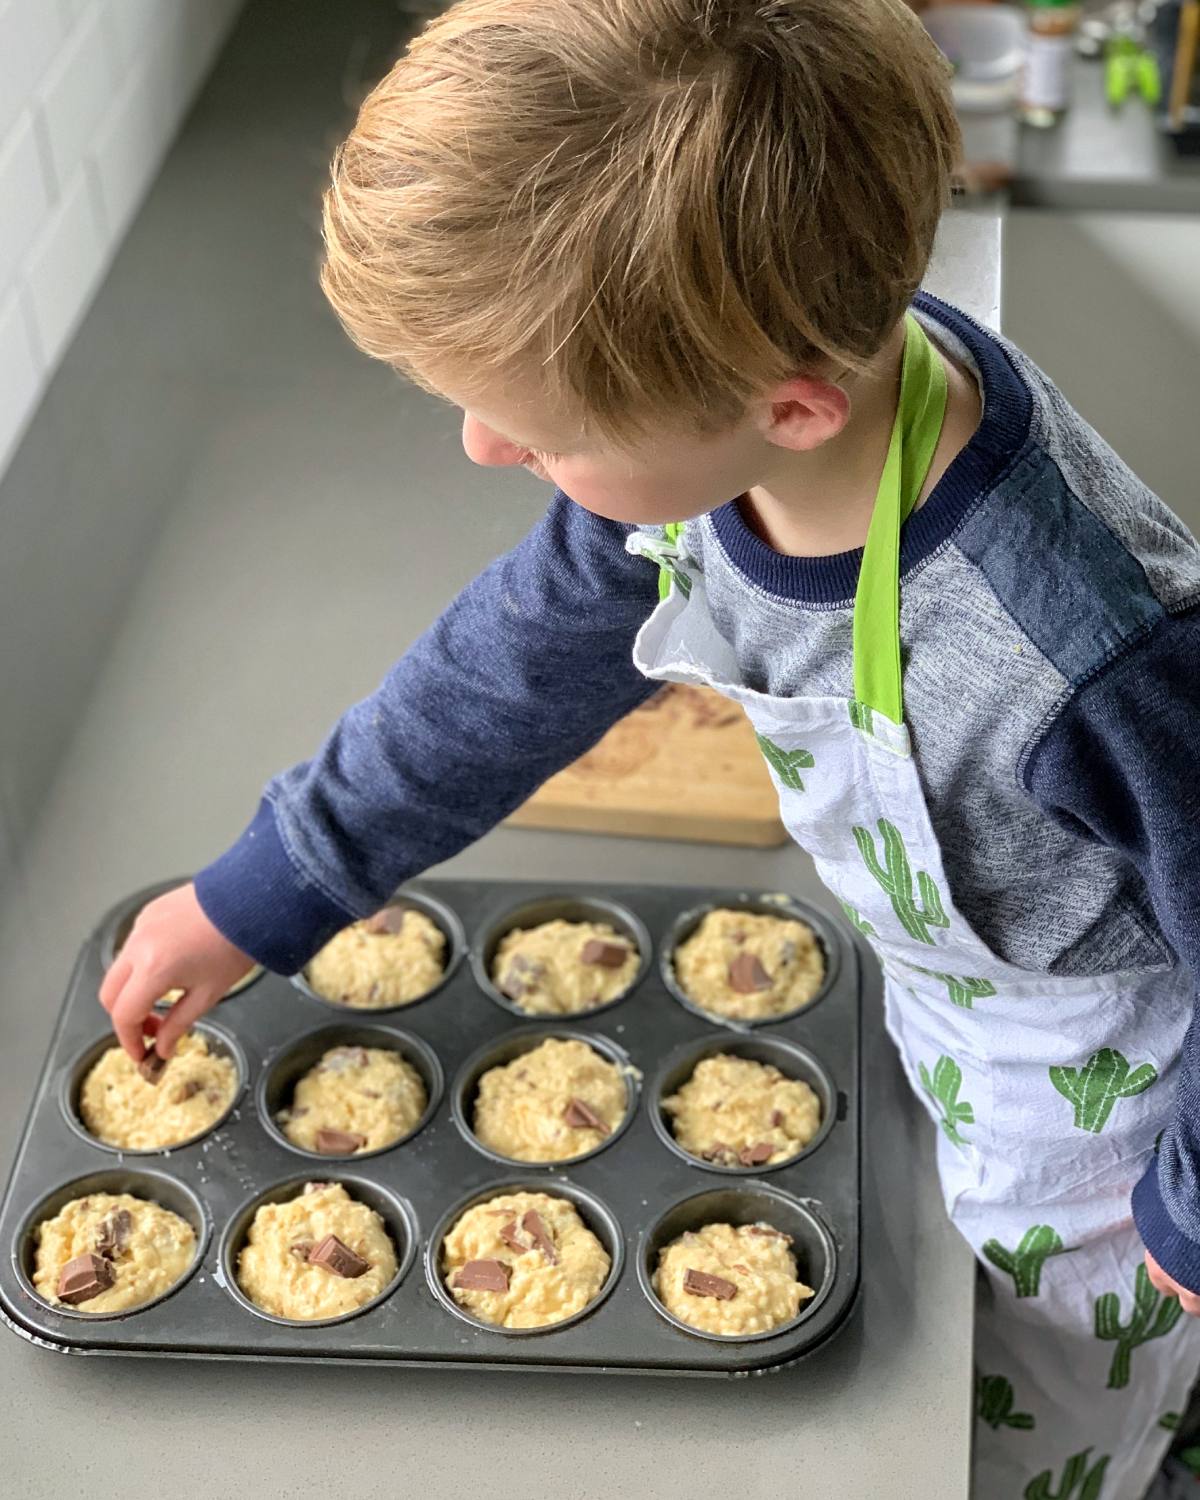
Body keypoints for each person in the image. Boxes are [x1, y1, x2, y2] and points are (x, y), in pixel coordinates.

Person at [97, 1, 1200, 1492]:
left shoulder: (1085, 652)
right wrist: (275, 880)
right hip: (946, 1003)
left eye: (539, 435)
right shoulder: (742, 421)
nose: (485, 450)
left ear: (789, 408)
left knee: (1026, 1432)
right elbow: (509, 668)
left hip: (1105, 1118)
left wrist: (1193, 1217)